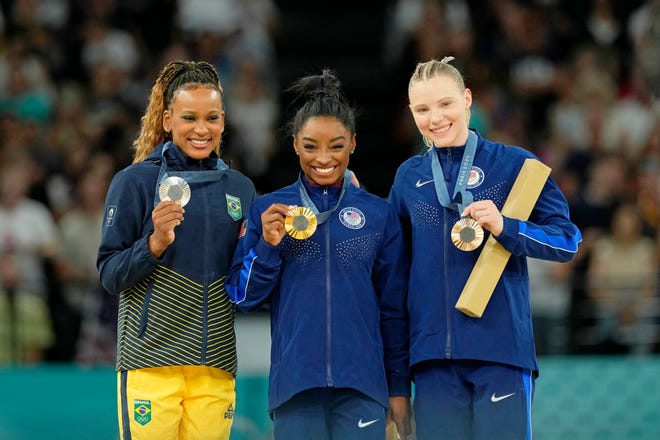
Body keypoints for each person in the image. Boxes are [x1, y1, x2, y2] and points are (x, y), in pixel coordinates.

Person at [388, 56, 582, 439]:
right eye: (423, 109)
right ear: (412, 113)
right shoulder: (408, 177)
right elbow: (393, 278)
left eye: (445, 104)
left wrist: (505, 227)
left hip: (501, 352)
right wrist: (396, 379)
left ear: (467, 99)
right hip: (431, 362)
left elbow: (567, 240)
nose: (435, 118)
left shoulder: (513, 164)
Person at [226, 70, 412, 440]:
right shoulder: (269, 209)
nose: (323, 158)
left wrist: (398, 388)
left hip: (363, 387)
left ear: (354, 144)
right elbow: (243, 297)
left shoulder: (379, 215)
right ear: (295, 144)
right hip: (296, 386)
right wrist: (267, 245)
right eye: (311, 146)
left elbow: (394, 310)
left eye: (336, 146)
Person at [97, 60, 256, 440]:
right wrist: (154, 244)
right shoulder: (136, 182)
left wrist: (267, 248)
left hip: (214, 365)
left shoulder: (240, 189)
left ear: (223, 120)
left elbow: (245, 285)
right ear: (168, 120)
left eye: (212, 118)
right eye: (189, 118)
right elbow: (109, 273)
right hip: (151, 362)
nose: (202, 129)